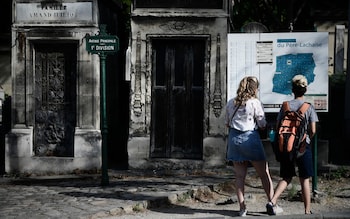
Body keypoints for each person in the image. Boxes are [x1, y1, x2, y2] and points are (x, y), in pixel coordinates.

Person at [267, 74, 319, 215]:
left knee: (286, 177)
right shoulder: (308, 107)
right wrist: (306, 137)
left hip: (286, 147)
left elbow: (278, 127)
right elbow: (313, 130)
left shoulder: (285, 106)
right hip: (303, 147)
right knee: (304, 179)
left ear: (292, 90)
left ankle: (272, 201)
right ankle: (307, 211)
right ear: (305, 90)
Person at [225, 76, 274, 217]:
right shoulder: (254, 102)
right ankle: (272, 202)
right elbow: (262, 123)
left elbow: (227, 123)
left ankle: (242, 208)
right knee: (264, 174)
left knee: (240, 177)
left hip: (234, 139)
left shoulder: (231, 103)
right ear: (254, 88)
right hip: (250, 139)